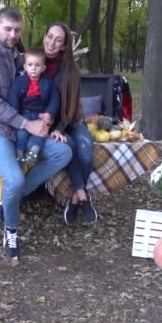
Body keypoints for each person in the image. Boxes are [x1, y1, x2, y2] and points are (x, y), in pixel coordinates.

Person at [0, 8, 72, 258]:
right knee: (13, 179)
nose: (13, 34)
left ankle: (12, 201)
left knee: (63, 153)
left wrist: (47, 118)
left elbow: (35, 92)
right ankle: (11, 231)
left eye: (17, 30)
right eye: (8, 29)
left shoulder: (18, 58)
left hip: (20, 127)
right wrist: (25, 124)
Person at [42, 22, 98, 225]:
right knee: (70, 146)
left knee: (85, 148)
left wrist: (59, 129)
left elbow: (70, 107)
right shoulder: (34, 62)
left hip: (69, 120)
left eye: (58, 40)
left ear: (64, 46)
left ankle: (74, 199)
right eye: (49, 36)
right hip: (48, 122)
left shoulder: (70, 71)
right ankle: (82, 194)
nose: (52, 42)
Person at [9, 47, 60, 167]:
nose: (33, 68)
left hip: (40, 114)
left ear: (43, 68)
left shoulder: (49, 83)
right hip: (24, 114)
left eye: (37, 65)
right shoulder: (19, 82)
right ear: (25, 67)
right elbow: (13, 97)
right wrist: (16, 114)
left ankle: (33, 152)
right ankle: (20, 154)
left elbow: (54, 100)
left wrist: (49, 113)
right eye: (30, 65)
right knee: (21, 134)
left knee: (41, 132)